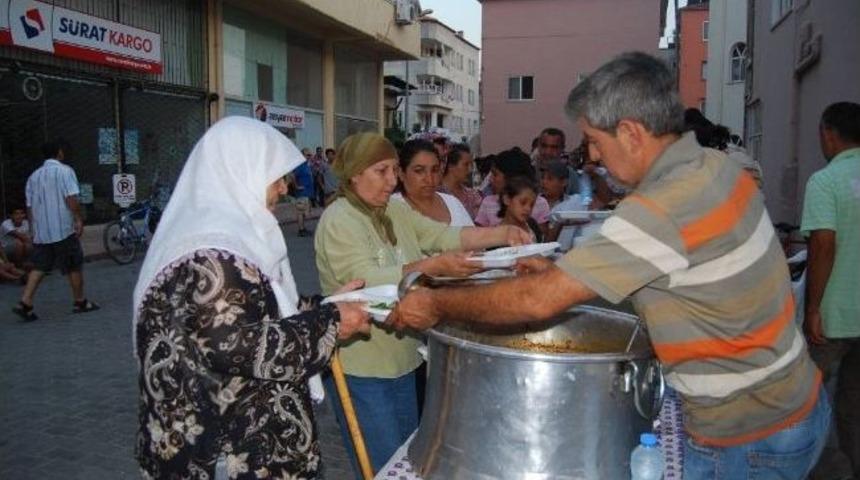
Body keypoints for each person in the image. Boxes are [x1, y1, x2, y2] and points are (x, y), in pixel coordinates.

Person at [390, 52, 830, 479]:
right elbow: (682, 274)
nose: (594, 158)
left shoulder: (662, 206)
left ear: (632, 133)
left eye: (596, 142)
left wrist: (437, 304)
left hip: (747, 436)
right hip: (790, 403)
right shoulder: (713, 167)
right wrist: (575, 278)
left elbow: (537, 303)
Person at [134, 117, 371, 479]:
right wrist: (332, 321)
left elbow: (261, 313)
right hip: (227, 453)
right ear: (239, 170)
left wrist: (325, 306)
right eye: (274, 176)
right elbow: (234, 345)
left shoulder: (222, 239)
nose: (282, 188)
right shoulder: (214, 252)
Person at [314, 132, 530, 475]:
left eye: (393, 170)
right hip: (364, 370)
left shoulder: (393, 212)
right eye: (381, 171)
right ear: (355, 174)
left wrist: (502, 234)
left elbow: (442, 235)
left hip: (404, 361)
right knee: (382, 467)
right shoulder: (339, 219)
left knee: (409, 464)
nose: (392, 180)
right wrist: (431, 266)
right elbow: (364, 278)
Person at [801, 101, 860, 479]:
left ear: (828, 133)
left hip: (835, 314)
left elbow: (824, 244)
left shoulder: (825, 181)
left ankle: (810, 470)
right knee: (854, 403)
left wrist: (812, 308)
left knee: (807, 399)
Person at [12, 140, 99, 322]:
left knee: (39, 266)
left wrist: (33, 228)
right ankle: (79, 301)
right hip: (62, 229)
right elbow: (71, 198)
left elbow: (29, 207)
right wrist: (78, 218)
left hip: (43, 231)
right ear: (59, 153)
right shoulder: (65, 171)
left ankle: (25, 301)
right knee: (73, 265)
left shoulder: (33, 177)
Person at [392, 139, 474, 227]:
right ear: (401, 173)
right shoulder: (390, 209)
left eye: (434, 170)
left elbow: (474, 238)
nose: (429, 179)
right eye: (419, 171)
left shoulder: (453, 204)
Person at [474, 148, 550, 238]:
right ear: (507, 200)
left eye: (495, 174)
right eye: (523, 203)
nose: (490, 179)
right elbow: (479, 239)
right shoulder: (488, 202)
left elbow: (543, 241)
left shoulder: (541, 204)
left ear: (511, 178)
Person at [439, 144, 482, 219]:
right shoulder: (436, 193)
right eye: (466, 165)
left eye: (471, 165)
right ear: (451, 166)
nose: (470, 170)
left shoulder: (472, 196)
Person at [499, 176, 543, 242]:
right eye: (523, 203)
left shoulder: (532, 225)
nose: (528, 209)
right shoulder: (497, 235)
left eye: (531, 205)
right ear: (507, 199)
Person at [294, 148, 316, 236]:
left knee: (303, 213)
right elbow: (292, 176)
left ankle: (303, 228)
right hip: (302, 193)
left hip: (307, 193)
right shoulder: (300, 165)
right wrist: (296, 186)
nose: (310, 156)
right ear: (302, 155)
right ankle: (301, 230)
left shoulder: (306, 165)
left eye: (310, 155)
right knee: (300, 212)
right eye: (308, 155)